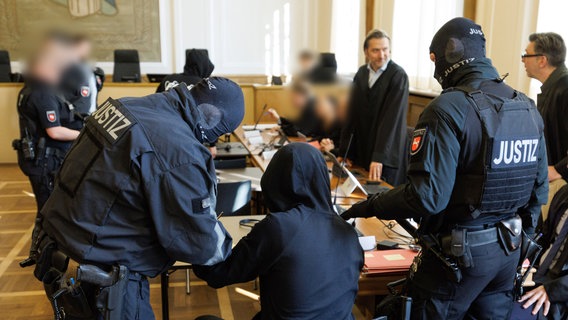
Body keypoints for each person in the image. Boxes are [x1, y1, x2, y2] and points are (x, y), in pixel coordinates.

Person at [341, 18, 549, 319]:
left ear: (447, 56)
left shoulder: (447, 108)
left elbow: (428, 197)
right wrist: (520, 250)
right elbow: (537, 193)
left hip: (457, 259)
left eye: (434, 60)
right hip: (509, 252)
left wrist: (371, 205)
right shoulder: (527, 107)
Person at [35, 77, 244, 319]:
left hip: (58, 254)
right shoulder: (180, 150)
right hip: (101, 281)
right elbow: (201, 244)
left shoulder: (125, 105)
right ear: (212, 117)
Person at [194, 143, 364, 320]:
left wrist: (198, 230)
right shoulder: (349, 234)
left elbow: (219, 274)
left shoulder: (279, 227)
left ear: (274, 179)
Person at [14, 32, 83, 257]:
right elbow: (55, 131)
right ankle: (42, 255)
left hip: (40, 159)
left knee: (47, 209)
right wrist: (83, 134)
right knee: (48, 210)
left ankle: (44, 250)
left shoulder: (30, 89)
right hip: (46, 161)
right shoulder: (42, 93)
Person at [339, 29, 409, 186]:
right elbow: (352, 114)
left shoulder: (398, 76)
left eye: (385, 49)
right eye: (376, 50)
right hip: (364, 148)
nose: (381, 55)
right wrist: (345, 152)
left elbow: (392, 120)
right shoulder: (361, 73)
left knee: (384, 200)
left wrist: (379, 157)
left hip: (387, 152)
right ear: (366, 52)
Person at [522, 32, 568, 220]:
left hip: (560, 184)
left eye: (526, 55)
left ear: (542, 60)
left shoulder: (565, 89)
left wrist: (559, 169)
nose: (523, 60)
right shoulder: (555, 87)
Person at [515, 184, 568, 319]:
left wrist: (551, 291)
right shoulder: (564, 193)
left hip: (559, 292)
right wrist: (525, 259)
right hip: (539, 277)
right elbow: (544, 237)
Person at [157, 49, 217, 157]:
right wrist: (212, 144)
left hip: (162, 136)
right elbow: (209, 116)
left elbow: (154, 104)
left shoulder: (167, 79)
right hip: (188, 141)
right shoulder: (203, 85)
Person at [59, 34, 105, 117]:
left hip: (92, 114)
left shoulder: (90, 68)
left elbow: (94, 90)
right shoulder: (66, 68)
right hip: (75, 115)